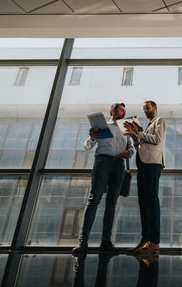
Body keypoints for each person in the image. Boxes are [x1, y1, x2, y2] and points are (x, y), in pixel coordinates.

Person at [73, 103, 135, 255]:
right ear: (113, 111)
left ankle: (106, 243)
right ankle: (83, 242)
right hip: (103, 163)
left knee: (112, 204)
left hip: (118, 165)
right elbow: (88, 147)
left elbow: (132, 148)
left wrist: (129, 152)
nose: (124, 113)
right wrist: (91, 137)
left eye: (125, 111)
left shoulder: (125, 128)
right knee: (94, 199)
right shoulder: (102, 126)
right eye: (121, 110)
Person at [124, 100, 167, 254]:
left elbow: (156, 140)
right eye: (143, 108)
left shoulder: (159, 121)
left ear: (154, 107)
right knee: (143, 202)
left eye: (147, 108)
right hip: (142, 163)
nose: (145, 110)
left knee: (151, 200)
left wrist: (138, 133)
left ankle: (154, 242)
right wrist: (135, 139)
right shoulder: (147, 126)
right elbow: (142, 145)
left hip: (152, 164)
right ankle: (145, 239)